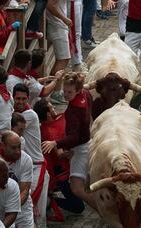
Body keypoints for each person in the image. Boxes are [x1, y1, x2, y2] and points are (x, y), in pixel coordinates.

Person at [41, 72, 98, 211]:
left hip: (81, 148)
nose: (65, 94)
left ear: (77, 90)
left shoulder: (73, 110)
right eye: (64, 90)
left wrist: (55, 143)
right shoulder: (85, 93)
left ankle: (103, 211)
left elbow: (74, 137)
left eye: (69, 92)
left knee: (77, 189)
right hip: (88, 141)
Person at [34, 98, 85, 215]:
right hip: (63, 172)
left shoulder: (58, 120)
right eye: (52, 107)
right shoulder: (48, 131)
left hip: (71, 165)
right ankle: (50, 201)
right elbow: (61, 154)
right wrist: (78, 151)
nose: (55, 108)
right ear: (47, 113)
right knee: (78, 207)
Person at [13, 84, 49, 228]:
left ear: (28, 99)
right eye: (17, 99)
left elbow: (7, 125)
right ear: (13, 98)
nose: (20, 102)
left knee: (37, 213)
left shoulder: (30, 115)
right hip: (25, 168)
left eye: (23, 99)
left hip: (36, 168)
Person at [0, 131, 34, 228]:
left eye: (19, 146)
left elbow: (24, 191)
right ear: (3, 145)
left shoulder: (26, 159)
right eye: (13, 147)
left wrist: (12, 207)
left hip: (20, 205)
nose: (18, 151)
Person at [46, 0, 72, 105]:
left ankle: (54, 89)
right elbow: (50, 4)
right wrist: (64, 18)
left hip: (57, 25)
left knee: (62, 59)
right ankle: (55, 91)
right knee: (63, 59)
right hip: (58, 26)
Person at [63, 0, 84, 72]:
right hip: (71, 1)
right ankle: (77, 62)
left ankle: (77, 59)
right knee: (75, 32)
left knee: (77, 31)